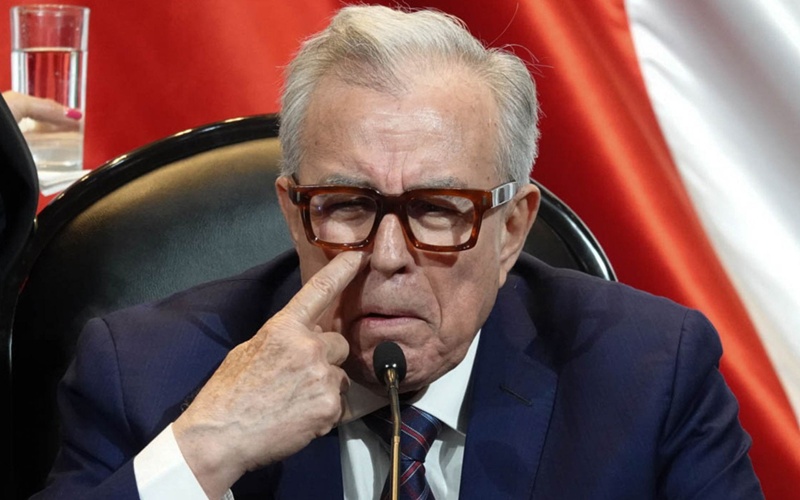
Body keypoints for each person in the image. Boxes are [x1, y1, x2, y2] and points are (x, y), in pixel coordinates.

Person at [32, 5, 763, 499]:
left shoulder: (648, 372)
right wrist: (205, 452)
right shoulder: (143, 373)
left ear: (511, 230)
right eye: (347, 205)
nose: (387, 256)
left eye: (437, 210)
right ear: (294, 213)